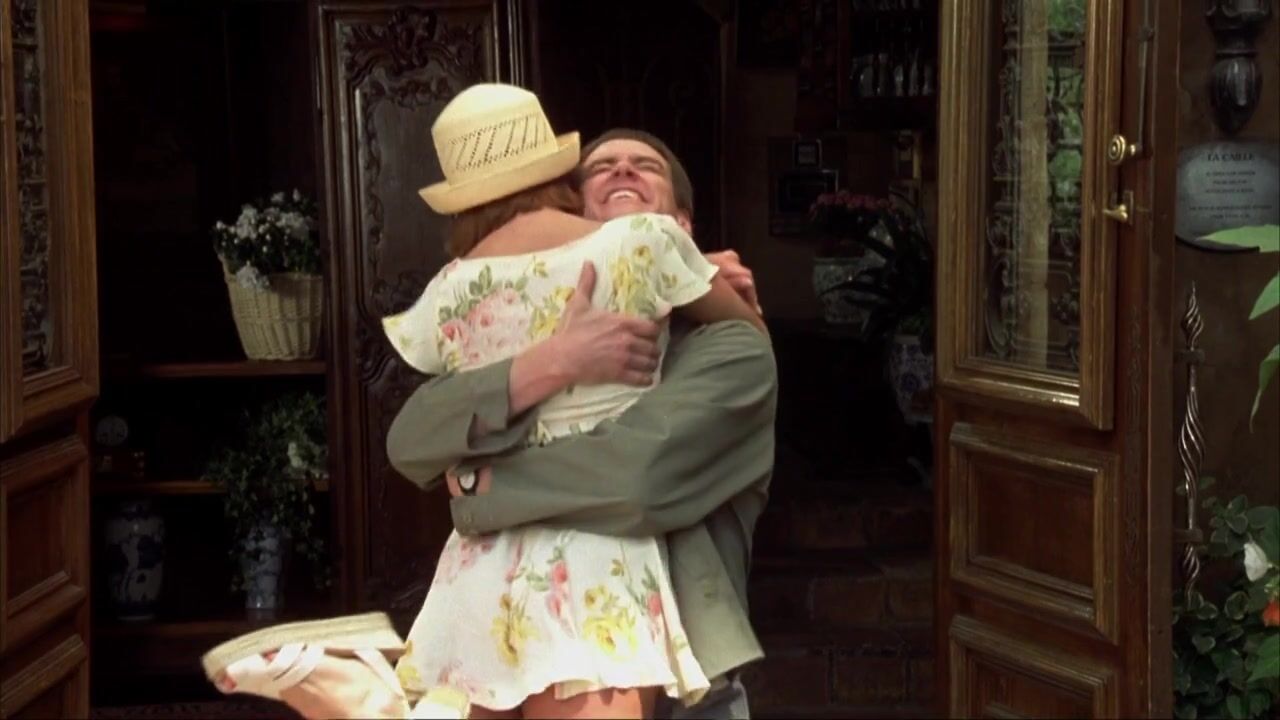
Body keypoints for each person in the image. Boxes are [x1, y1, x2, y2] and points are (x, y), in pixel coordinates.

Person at [380, 83, 768, 720]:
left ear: (683, 226)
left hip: (676, 677)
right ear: (570, 199)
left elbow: (637, 483)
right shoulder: (601, 272)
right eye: (602, 168)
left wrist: (481, 490)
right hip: (571, 606)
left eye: (645, 168)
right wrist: (550, 361)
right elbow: (410, 439)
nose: (622, 171)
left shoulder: (733, 351)